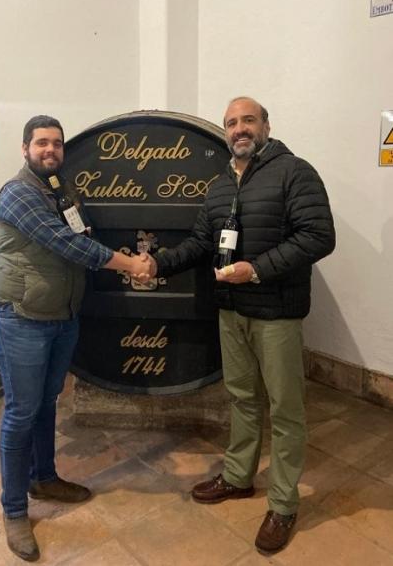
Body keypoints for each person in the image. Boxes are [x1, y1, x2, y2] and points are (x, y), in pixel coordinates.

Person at [148, 97, 335, 554]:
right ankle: (238, 476)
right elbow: (200, 243)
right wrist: (156, 265)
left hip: (276, 312)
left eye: (248, 120)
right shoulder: (218, 187)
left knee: (286, 410)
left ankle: (283, 504)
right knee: (242, 398)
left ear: (266, 125)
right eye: (231, 123)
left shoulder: (294, 172)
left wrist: (257, 270)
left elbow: (318, 236)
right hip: (231, 311)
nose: (239, 129)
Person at [0, 115, 151, 562]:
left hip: (61, 317)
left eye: (57, 143)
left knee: (46, 404)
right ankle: (14, 510)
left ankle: (44, 478)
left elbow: (82, 233)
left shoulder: (61, 191)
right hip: (21, 318)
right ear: (25, 148)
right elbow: (67, 244)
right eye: (41, 143)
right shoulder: (18, 193)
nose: (50, 150)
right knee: (21, 413)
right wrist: (131, 265)